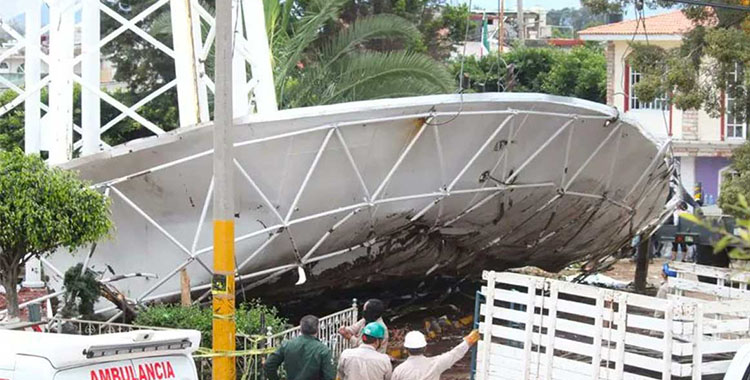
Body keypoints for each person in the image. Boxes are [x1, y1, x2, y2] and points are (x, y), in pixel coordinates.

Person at [266, 315, 335, 380]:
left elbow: (269, 364)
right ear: (317, 329)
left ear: (301, 328)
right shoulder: (323, 350)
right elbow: (329, 376)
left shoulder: (287, 345)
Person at [392, 329, 480, 380]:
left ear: (406, 349)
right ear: (425, 347)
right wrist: (468, 341)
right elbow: (454, 354)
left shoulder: (399, 371)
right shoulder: (435, 364)